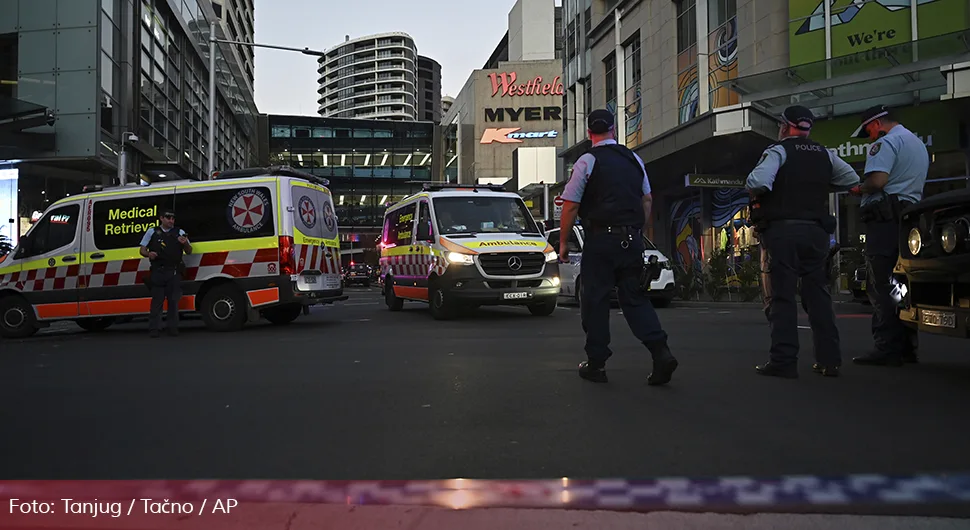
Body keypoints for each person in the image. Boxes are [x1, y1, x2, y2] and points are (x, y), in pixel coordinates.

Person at [558, 108, 677, 385]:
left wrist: (564, 242)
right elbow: (646, 199)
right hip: (631, 239)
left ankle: (596, 363)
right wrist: (636, 229)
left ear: (589, 133)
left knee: (596, 300)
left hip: (600, 240)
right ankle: (661, 351)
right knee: (635, 298)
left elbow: (571, 204)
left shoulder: (587, 161)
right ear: (614, 129)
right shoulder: (633, 159)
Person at [746, 105, 860, 378]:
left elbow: (758, 181)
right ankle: (829, 360)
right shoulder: (824, 154)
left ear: (784, 126)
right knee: (818, 296)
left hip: (783, 232)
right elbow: (852, 179)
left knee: (782, 297)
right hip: (816, 234)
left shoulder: (779, 151)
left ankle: (784, 361)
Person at [847, 105, 927, 366]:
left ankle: (886, 347)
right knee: (902, 284)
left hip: (885, 220)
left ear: (877, 124)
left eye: (869, 131)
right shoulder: (916, 143)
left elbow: (878, 181)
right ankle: (907, 347)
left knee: (879, 283)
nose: (870, 137)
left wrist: (859, 188)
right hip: (909, 219)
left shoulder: (884, 144)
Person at [139, 209, 191, 338]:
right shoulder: (152, 232)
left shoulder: (180, 232)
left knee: (173, 301)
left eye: (173, 218)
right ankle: (154, 329)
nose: (171, 221)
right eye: (168, 218)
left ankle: (172, 328)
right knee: (157, 301)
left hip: (173, 271)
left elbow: (189, 251)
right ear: (161, 218)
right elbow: (142, 250)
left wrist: (184, 244)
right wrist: (149, 254)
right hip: (158, 271)